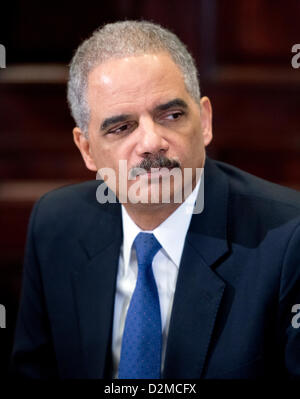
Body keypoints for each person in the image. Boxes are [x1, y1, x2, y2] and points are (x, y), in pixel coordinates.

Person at [10, 20, 300, 379]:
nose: (151, 142)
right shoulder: (56, 225)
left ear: (205, 121)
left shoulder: (288, 240)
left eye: (172, 115)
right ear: (87, 149)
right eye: (121, 127)